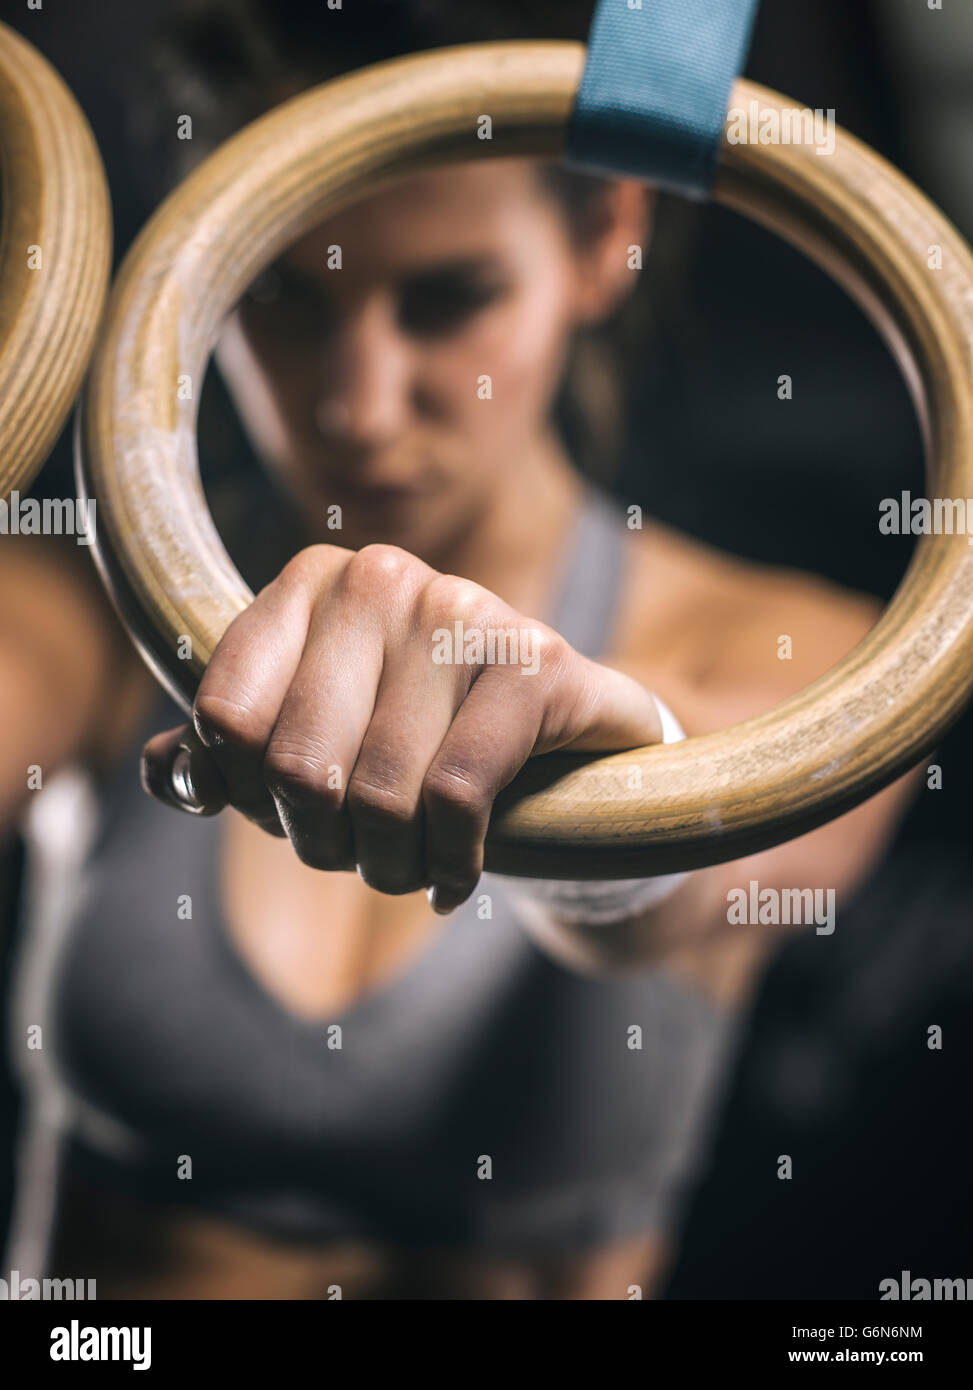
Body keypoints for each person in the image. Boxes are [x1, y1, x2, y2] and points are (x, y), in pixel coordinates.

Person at [2, 0, 920, 1299]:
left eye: (446, 300)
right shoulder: (97, 617)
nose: (355, 407)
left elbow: (705, 872)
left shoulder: (797, 654)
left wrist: (617, 794)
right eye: (280, 298)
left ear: (604, 243)